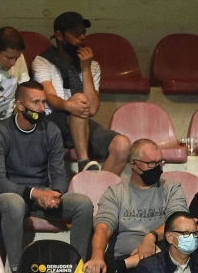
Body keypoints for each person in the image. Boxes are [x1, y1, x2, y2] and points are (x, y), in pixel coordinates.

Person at [0, 80, 95, 273]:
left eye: (43, 102)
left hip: (42, 197)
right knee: (13, 202)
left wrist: (55, 193)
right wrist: (36, 194)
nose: (41, 108)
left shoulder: (51, 130)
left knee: (83, 203)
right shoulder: (1, 131)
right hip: (12, 195)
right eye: (36, 103)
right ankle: (16, 271)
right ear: (20, 105)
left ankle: (76, 271)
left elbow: (58, 173)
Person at [84, 139, 189, 273]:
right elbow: (103, 227)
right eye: (151, 163)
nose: (158, 168)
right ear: (133, 165)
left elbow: (178, 222)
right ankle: (129, 266)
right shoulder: (115, 193)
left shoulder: (172, 189)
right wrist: (97, 255)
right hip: (127, 257)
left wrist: (151, 236)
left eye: (160, 162)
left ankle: (127, 265)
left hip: (162, 256)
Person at [32, 12, 130, 175]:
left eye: (83, 32)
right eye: (76, 33)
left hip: (81, 121)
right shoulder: (42, 61)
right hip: (53, 121)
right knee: (79, 101)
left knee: (122, 144)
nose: (82, 37)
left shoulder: (92, 65)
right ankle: (83, 161)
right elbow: (49, 98)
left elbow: (92, 109)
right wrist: (69, 105)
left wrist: (85, 68)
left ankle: (98, 194)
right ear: (59, 35)